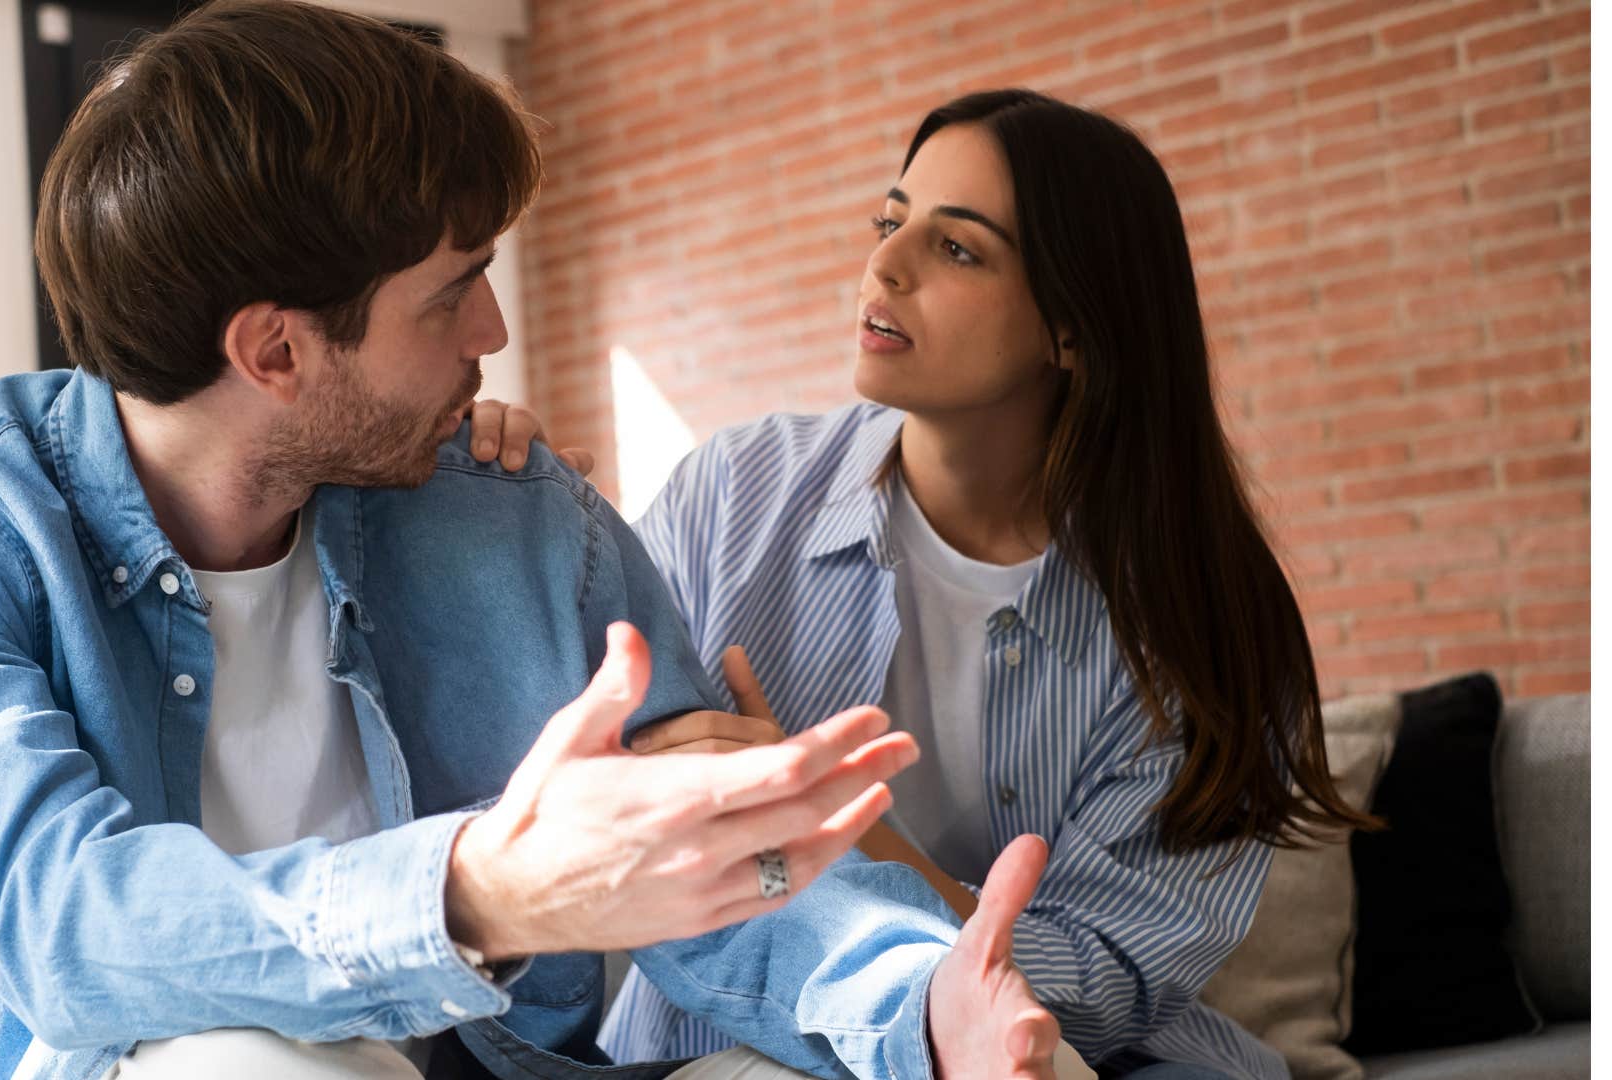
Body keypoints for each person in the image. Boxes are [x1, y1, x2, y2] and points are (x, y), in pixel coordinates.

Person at [0, 6, 1066, 1079]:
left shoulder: (507, 506)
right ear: (276, 352)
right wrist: (484, 889)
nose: (496, 331)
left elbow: (716, 864)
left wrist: (923, 1000)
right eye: (453, 288)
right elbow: (62, 927)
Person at [539, 89, 1380, 1080]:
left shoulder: (1204, 620)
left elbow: (1102, 985)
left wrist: (831, 833)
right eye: (891, 222)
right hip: (730, 1042)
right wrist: (500, 496)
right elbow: (580, 789)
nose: (883, 265)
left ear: (1074, 326)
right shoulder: (735, 496)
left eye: (957, 248)